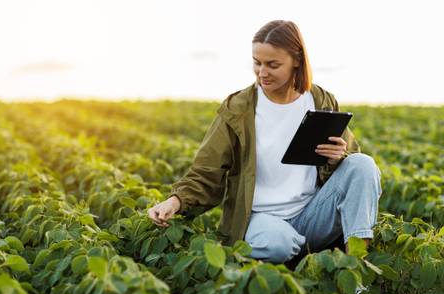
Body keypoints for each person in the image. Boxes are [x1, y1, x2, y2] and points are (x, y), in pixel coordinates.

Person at [148, 20, 382, 264]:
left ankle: (356, 268)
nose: (262, 72)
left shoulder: (320, 100)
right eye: (256, 63)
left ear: (297, 61)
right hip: (259, 220)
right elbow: (207, 172)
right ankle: (304, 257)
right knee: (278, 243)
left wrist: (336, 158)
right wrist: (175, 201)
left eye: (273, 65)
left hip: (311, 215)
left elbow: (353, 174)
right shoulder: (238, 108)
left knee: (363, 165)